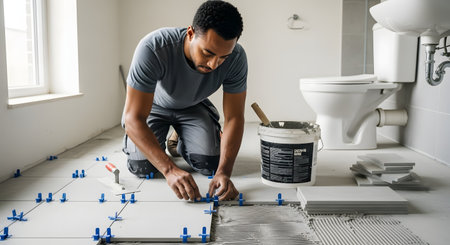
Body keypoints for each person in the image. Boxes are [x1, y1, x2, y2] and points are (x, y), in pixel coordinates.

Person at [121, 0, 247, 202]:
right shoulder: (153, 47)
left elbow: (234, 118)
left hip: (193, 107)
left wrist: (224, 172)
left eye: (223, 57)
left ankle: (179, 137)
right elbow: (133, 118)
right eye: (208, 53)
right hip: (152, 107)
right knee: (143, 167)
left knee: (210, 165)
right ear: (190, 34)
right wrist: (170, 170)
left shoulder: (237, 58)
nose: (214, 64)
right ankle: (175, 135)